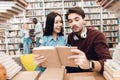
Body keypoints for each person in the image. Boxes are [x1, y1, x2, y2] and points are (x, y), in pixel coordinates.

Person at [65, 7, 112, 73]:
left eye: (77, 20)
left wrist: (89, 64)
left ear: (84, 20)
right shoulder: (70, 37)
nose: (73, 24)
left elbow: (107, 62)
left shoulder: (97, 35)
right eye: (70, 21)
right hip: (76, 75)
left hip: (93, 74)